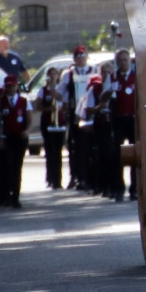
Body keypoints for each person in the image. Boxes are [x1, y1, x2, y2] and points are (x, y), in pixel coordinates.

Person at [59, 45, 99, 190]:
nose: (80, 58)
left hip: (92, 112)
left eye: (82, 55)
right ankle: (77, 177)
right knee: (77, 147)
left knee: (93, 146)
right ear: (74, 58)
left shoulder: (94, 70)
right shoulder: (68, 74)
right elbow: (60, 93)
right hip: (75, 114)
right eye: (77, 56)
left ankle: (93, 177)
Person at [0, 74, 32, 208]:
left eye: (13, 86)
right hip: (6, 137)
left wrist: (27, 131)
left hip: (20, 137)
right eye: (8, 86)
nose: (10, 89)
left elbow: (29, 119)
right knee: (7, 165)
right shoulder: (0, 102)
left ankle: (16, 196)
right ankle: (6, 194)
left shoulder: (24, 101)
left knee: (17, 167)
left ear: (17, 87)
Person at [107, 49, 136, 201]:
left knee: (135, 155)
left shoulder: (136, 77)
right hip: (118, 120)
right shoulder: (112, 78)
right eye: (121, 60)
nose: (124, 63)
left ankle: (134, 189)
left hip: (132, 119)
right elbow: (104, 97)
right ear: (117, 62)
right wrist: (109, 91)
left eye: (126, 60)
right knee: (117, 155)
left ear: (129, 61)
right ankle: (118, 188)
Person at [34, 66, 67, 190]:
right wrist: (49, 109)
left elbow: (65, 104)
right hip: (48, 123)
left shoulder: (61, 89)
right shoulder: (43, 90)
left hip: (60, 123)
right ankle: (50, 178)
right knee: (50, 151)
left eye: (55, 74)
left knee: (58, 151)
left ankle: (58, 180)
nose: (53, 76)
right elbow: (38, 106)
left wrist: (61, 108)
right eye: (51, 74)